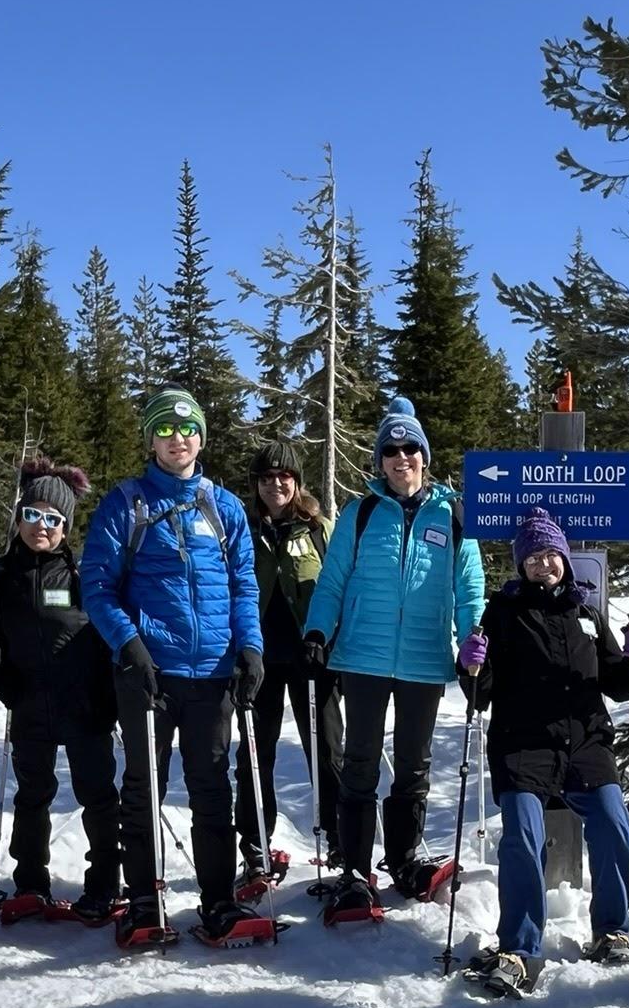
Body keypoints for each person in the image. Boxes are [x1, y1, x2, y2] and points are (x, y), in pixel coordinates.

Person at [79, 388, 266, 946]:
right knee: (143, 787)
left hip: (212, 674)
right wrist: (128, 643)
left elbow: (243, 587)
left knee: (212, 788)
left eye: (187, 431)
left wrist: (250, 647)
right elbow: (97, 586)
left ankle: (218, 901)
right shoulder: (126, 504)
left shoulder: (224, 505)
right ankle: (142, 900)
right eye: (165, 430)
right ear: (151, 440)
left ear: (201, 438)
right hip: (148, 675)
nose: (177, 440)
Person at [302, 398, 486, 922]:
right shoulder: (360, 514)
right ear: (379, 460)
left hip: (425, 659)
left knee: (414, 764)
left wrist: (473, 640)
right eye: (391, 450)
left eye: (410, 448)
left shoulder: (452, 516)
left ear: (424, 457)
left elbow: (469, 587)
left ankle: (404, 858)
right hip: (362, 655)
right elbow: (332, 580)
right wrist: (317, 630)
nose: (400, 458)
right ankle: (355, 872)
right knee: (358, 762)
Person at [457, 506, 629, 997]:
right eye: (534, 557)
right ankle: (520, 949)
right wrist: (470, 667)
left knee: (614, 827)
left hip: (584, 741)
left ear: (564, 558)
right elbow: (481, 694)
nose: (544, 564)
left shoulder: (584, 612)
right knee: (523, 836)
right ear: (520, 565)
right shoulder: (501, 613)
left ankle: (612, 931)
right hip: (524, 745)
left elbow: (618, 683)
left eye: (552, 555)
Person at [0, 457, 125, 924]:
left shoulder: (84, 575)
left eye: (53, 519)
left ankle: (104, 883)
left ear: (65, 526)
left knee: (97, 794)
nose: (42, 526)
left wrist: (110, 696)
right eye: (33, 514)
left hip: (84, 703)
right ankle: (30, 883)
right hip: (28, 702)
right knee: (32, 794)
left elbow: (106, 633)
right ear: (20, 516)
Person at [234, 440, 344, 896]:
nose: (275, 485)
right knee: (256, 758)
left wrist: (332, 642)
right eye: (265, 478)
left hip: (311, 657)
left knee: (327, 751)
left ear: (297, 483)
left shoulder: (319, 528)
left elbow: (340, 585)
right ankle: (256, 846)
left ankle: (340, 841)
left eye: (284, 477)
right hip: (258, 660)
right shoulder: (241, 527)